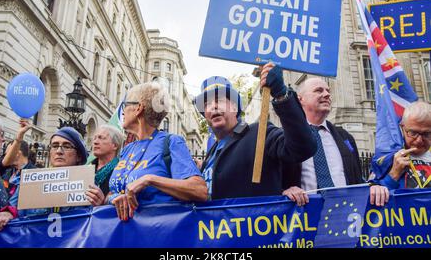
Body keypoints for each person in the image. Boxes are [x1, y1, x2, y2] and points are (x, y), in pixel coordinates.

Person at [194, 63, 317, 200]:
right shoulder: (210, 155)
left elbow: (302, 147)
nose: (213, 107)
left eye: (220, 101)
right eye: (207, 104)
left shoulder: (259, 133)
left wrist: (282, 97)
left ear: (235, 107)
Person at [281, 77, 389, 207]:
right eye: (319, 90)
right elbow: (274, 180)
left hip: (345, 213)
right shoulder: (286, 138)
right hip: (304, 215)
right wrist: (285, 190)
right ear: (300, 99)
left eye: (328, 91)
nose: (327, 95)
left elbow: (357, 179)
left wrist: (372, 186)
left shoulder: (345, 137)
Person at [108, 82, 207, 221]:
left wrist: (150, 180)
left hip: (158, 234)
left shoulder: (171, 142)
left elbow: (200, 190)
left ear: (138, 108)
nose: (122, 111)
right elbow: (115, 191)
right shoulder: (127, 148)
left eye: (125, 105)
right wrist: (110, 198)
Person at [373, 101, 431, 189]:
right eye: (413, 132)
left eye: (426, 134)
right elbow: (371, 197)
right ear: (402, 128)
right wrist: (394, 173)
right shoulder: (386, 158)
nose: (419, 140)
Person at [0, 119, 35, 209]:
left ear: (17, 153)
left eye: (7, 154)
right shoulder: (6, 172)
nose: (5, 157)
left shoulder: (35, 174)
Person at [85, 125, 124, 206]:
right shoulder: (86, 170)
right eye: (94, 138)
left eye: (101, 138)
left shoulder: (122, 171)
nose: (95, 142)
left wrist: (103, 203)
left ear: (115, 145)